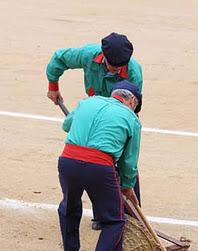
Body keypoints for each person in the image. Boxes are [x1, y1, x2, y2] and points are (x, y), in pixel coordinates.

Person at [46, 32, 143, 228]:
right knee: (94, 159)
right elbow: (59, 58)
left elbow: (131, 108)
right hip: (92, 109)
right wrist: (53, 86)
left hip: (117, 116)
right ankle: (102, 215)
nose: (116, 71)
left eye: (119, 68)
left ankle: (131, 213)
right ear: (103, 56)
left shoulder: (134, 72)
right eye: (111, 66)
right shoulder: (88, 54)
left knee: (124, 160)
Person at [57, 80, 142, 251]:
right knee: (114, 219)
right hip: (100, 167)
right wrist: (127, 185)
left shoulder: (88, 102)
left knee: (69, 207)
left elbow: (66, 125)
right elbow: (129, 162)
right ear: (132, 101)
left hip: (67, 160)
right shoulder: (131, 119)